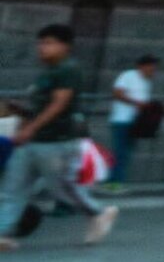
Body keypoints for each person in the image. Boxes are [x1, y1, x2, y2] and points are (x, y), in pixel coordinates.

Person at [0, 24, 118, 250]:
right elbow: (43, 106)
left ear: (65, 46)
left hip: (58, 142)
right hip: (34, 142)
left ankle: (99, 212)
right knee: (14, 187)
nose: (42, 48)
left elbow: (59, 104)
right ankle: (2, 232)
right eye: (41, 43)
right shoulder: (48, 72)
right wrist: (22, 111)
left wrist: (30, 128)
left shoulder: (68, 70)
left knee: (62, 189)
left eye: (49, 43)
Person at [103, 54, 159, 192]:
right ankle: (113, 183)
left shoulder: (147, 81)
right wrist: (136, 103)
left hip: (136, 122)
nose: (153, 69)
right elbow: (117, 93)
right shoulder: (128, 76)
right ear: (142, 66)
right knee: (120, 151)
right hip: (122, 119)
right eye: (151, 66)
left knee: (126, 152)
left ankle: (117, 181)